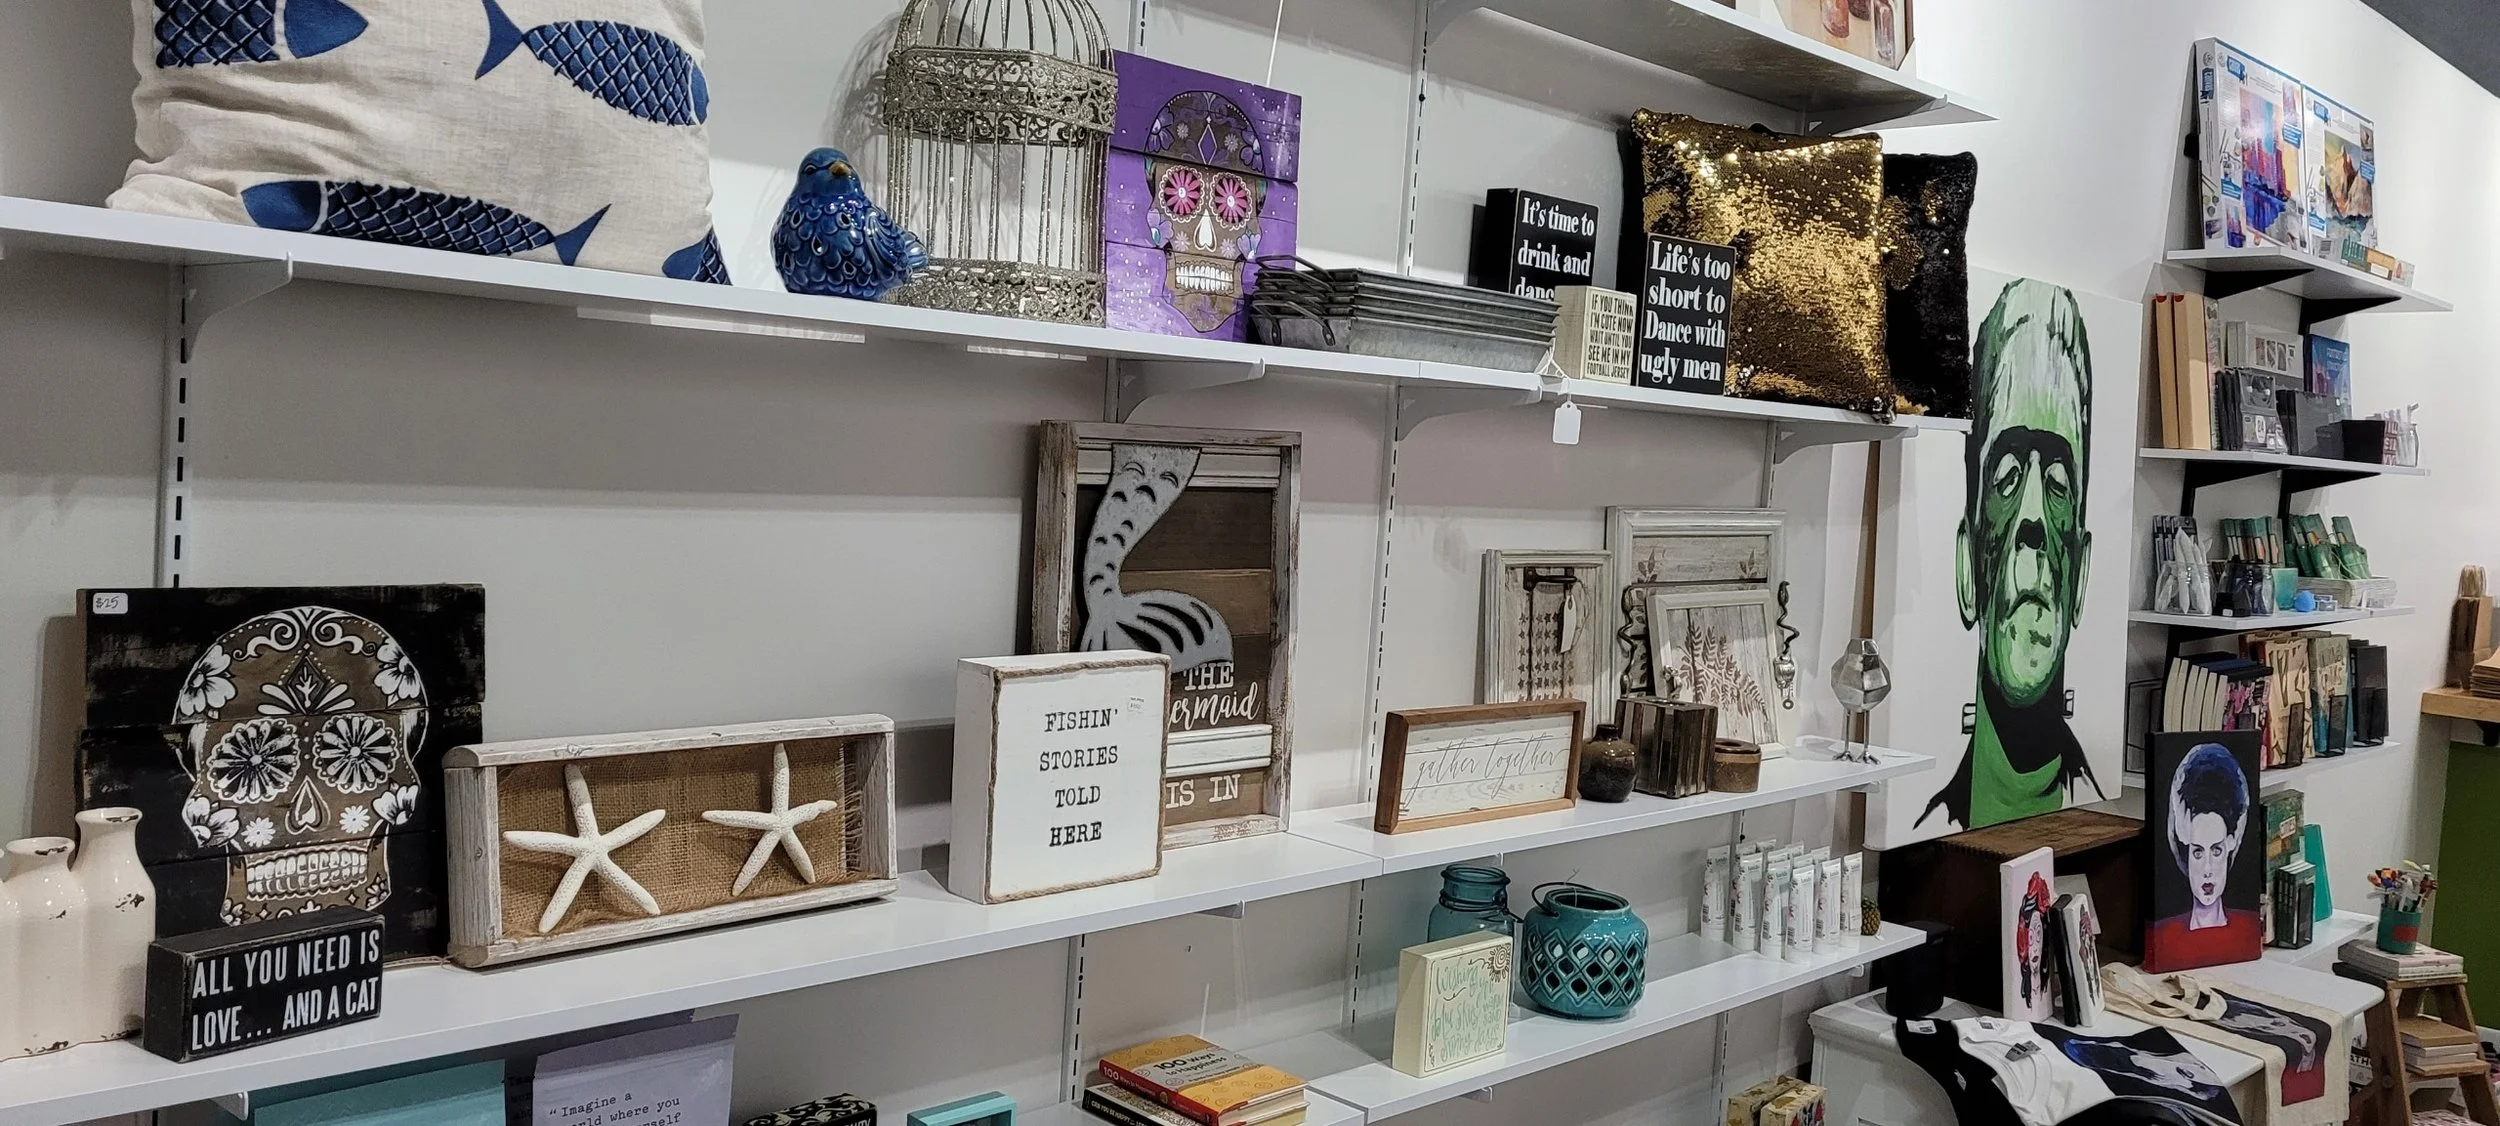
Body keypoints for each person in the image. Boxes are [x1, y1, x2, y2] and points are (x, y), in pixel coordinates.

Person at [1919, 280, 2108, 832]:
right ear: (1966, 565)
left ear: (2082, 573)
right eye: (2005, 477)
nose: (2031, 519)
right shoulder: (1922, 831)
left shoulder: (2101, 808)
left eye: (2056, 482)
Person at [2147, 743, 2262, 967]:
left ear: (2230, 844)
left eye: (2216, 850)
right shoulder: (2161, 938)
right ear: (2186, 851)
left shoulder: (2250, 931)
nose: (2207, 869)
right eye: (2198, 852)